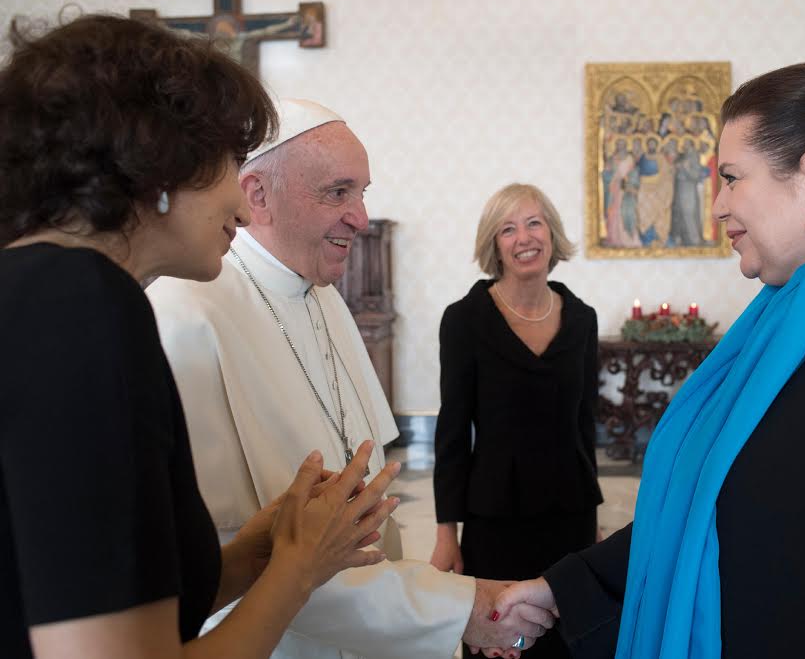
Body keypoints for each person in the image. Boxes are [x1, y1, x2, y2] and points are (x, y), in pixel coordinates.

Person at [491, 62, 805, 658]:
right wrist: (568, 589)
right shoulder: (783, 316)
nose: (716, 206)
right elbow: (721, 497)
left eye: (732, 178)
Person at [0, 14, 401, 659]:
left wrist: (262, 551)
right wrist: (300, 569)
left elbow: (120, 594)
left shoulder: (41, 290)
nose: (241, 207)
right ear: (159, 168)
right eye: (228, 164)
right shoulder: (83, 304)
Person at [146, 99, 552, 658]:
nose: (360, 217)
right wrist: (459, 609)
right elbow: (239, 556)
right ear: (257, 194)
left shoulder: (323, 295)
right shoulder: (186, 314)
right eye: (338, 192)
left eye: (362, 192)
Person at [431, 183, 603, 658]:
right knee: (501, 640)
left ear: (551, 233)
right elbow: (451, 434)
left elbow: (584, 425)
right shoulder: (464, 320)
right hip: (495, 519)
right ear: (495, 245)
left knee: (568, 640)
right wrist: (446, 534)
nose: (524, 237)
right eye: (508, 229)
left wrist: (593, 520)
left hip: (569, 515)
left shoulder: (582, 319)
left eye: (533, 223)